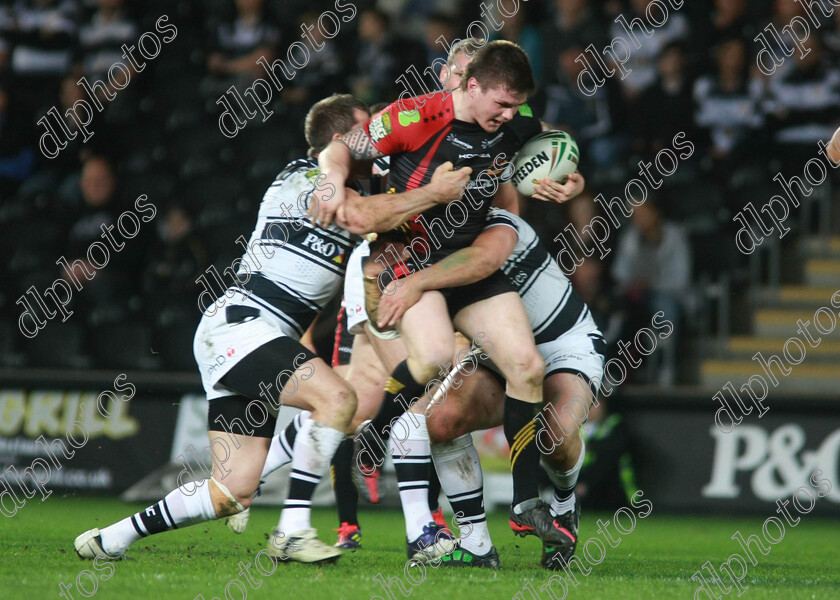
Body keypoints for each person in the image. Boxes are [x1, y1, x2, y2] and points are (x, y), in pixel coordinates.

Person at [73, 93, 469, 564]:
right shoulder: (310, 180)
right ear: (342, 141)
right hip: (244, 327)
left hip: (245, 333)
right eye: (368, 132)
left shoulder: (350, 189)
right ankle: (292, 529)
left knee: (231, 491)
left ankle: (112, 538)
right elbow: (365, 215)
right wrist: (434, 194)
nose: (376, 141)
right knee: (338, 399)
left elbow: (383, 212)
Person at [316, 39, 584, 552]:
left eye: (515, 106)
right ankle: (375, 437)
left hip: (468, 265)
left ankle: (527, 506)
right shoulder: (416, 116)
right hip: (408, 258)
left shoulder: (514, 119)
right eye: (500, 104)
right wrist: (331, 180)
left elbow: (557, 144)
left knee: (527, 368)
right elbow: (343, 147)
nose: (508, 116)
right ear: (471, 85)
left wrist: (572, 179)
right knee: (437, 354)